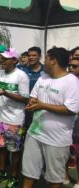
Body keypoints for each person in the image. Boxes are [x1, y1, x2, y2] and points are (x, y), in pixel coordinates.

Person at [22, 47, 79, 188]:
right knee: (29, 174)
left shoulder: (72, 81)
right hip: (34, 134)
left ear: (53, 60)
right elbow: (33, 96)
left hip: (57, 140)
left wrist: (42, 105)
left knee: (55, 179)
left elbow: (71, 109)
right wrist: (32, 102)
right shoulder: (43, 77)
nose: (44, 61)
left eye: (46, 58)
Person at [0, 48, 29, 188]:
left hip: (16, 120)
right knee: (2, 148)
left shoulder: (21, 76)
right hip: (1, 118)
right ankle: (2, 172)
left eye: (6, 59)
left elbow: (25, 98)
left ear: (15, 61)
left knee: (15, 151)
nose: (2, 61)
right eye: (2, 58)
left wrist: (4, 92)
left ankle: (14, 177)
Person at [65, 57, 79, 187]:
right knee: (65, 150)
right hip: (66, 123)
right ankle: (64, 175)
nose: (71, 68)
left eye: (75, 66)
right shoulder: (66, 81)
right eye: (70, 66)